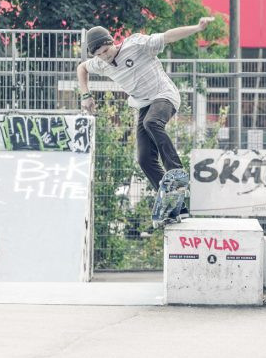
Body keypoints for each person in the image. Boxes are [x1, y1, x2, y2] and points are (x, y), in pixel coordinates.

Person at [77, 17, 214, 220]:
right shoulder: (100, 63)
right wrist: (85, 94)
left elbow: (168, 36)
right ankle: (175, 203)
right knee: (144, 160)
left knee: (152, 122)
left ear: (111, 41)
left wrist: (197, 28)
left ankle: (175, 172)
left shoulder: (137, 44)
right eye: (99, 55)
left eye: (106, 51)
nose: (104, 57)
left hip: (164, 96)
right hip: (143, 104)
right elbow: (82, 68)